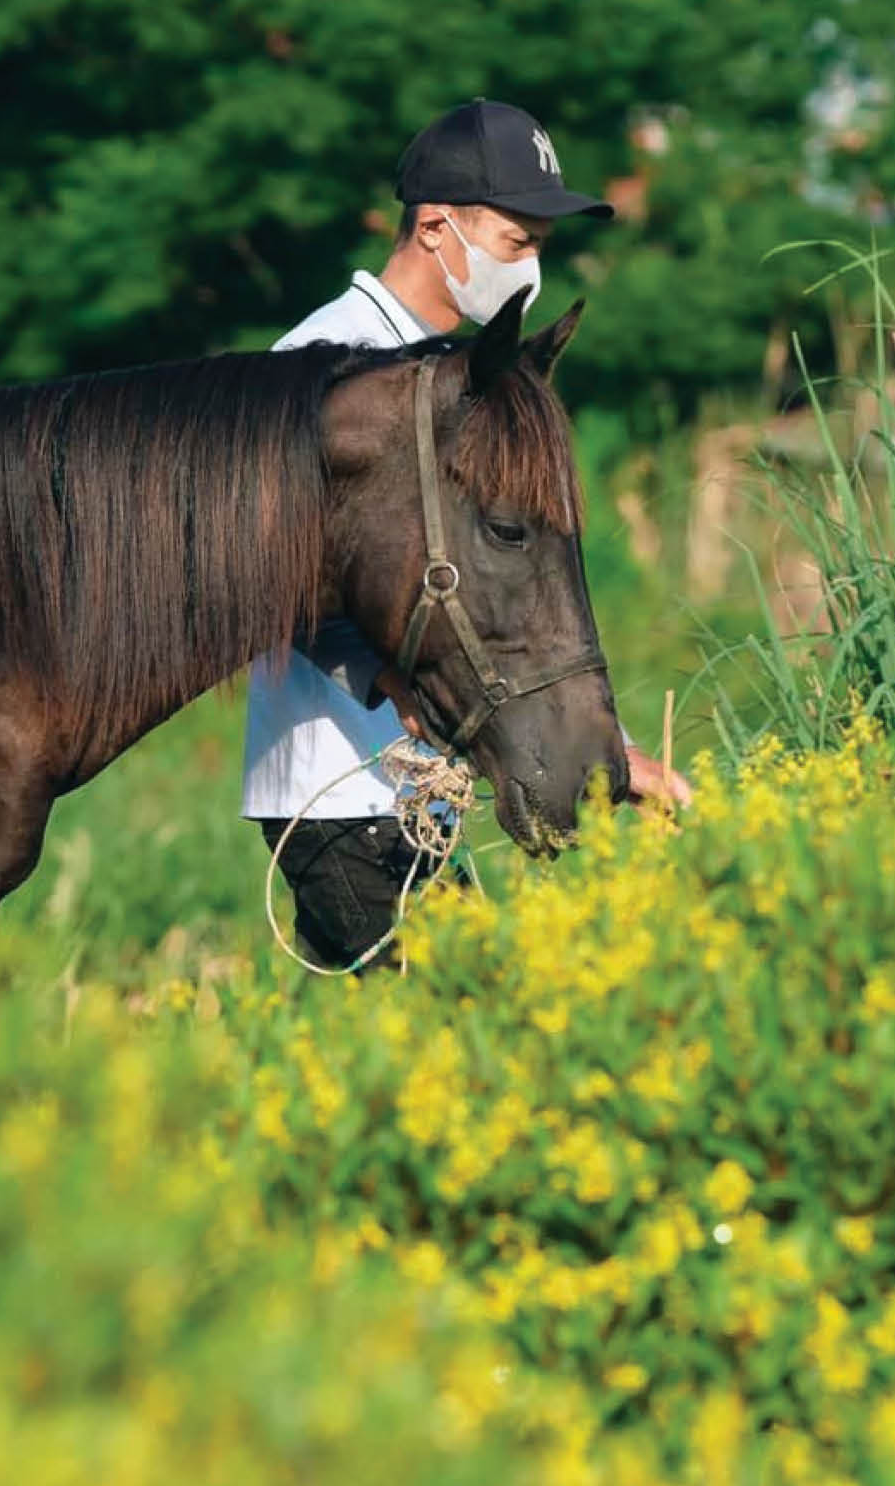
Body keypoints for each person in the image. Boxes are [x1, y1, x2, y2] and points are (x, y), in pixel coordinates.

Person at [246, 97, 690, 972]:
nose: (529, 272)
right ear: (438, 228)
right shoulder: (320, 362)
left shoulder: (454, 378)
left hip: (412, 799)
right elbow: (258, 575)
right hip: (337, 797)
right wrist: (387, 682)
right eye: (516, 245)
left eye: (539, 250)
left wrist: (601, 750)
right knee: (468, 1025)